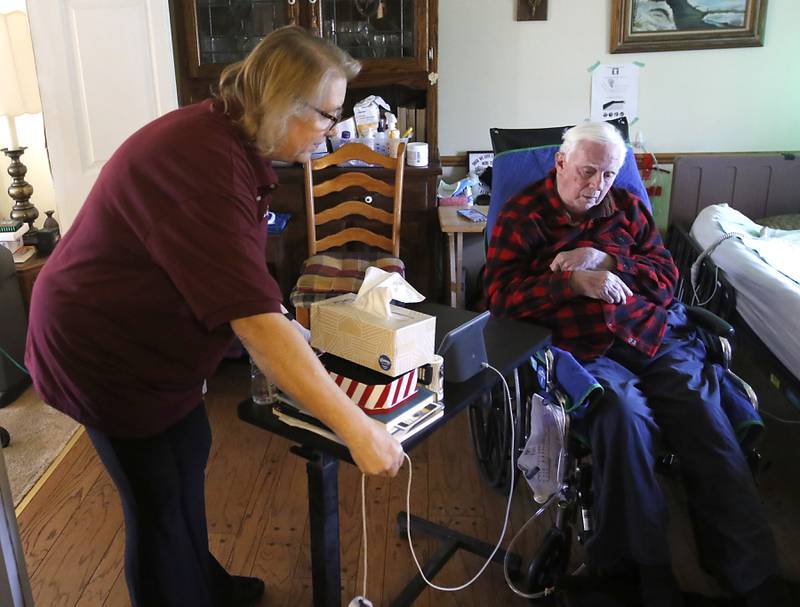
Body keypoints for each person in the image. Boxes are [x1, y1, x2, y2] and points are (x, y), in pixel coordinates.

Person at [24, 26, 404, 607]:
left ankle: (203, 584)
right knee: (155, 503)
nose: (332, 133)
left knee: (186, 455)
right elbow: (255, 326)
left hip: (148, 342)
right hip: (101, 348)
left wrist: (288, 323)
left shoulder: (230, 137)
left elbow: (236, 272)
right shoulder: (206, 165)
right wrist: (358, 429)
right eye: (328, 117)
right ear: (283, 103)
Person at [485, 122, 789, 607]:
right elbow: (500, 298)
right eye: (587, 171)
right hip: (581, 346)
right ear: (560, 164)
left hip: (653, 334)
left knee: (704, 417)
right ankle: (637, 576)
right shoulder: (524, 217)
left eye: (608, 174)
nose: (597, 184)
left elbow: (666, 280)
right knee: (624, 420)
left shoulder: (625, 208)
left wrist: (605, 261)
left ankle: (751, 575)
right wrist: (573, 285)